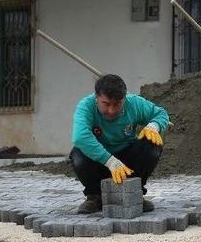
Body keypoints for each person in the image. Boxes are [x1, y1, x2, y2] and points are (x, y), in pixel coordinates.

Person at [70, 74, 169, 214]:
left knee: (152, 145)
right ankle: (94, 197)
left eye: (117, 104)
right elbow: (80, 137)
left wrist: (154, 125)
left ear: (124, 98)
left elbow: (161, 114)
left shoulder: (134, 103)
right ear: (96, 97)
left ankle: (134, 194)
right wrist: (110, 162)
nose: (111, 110)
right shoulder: (86, 106)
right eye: (106, 104)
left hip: (127, 163)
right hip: (99, 161)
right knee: (78, 154)